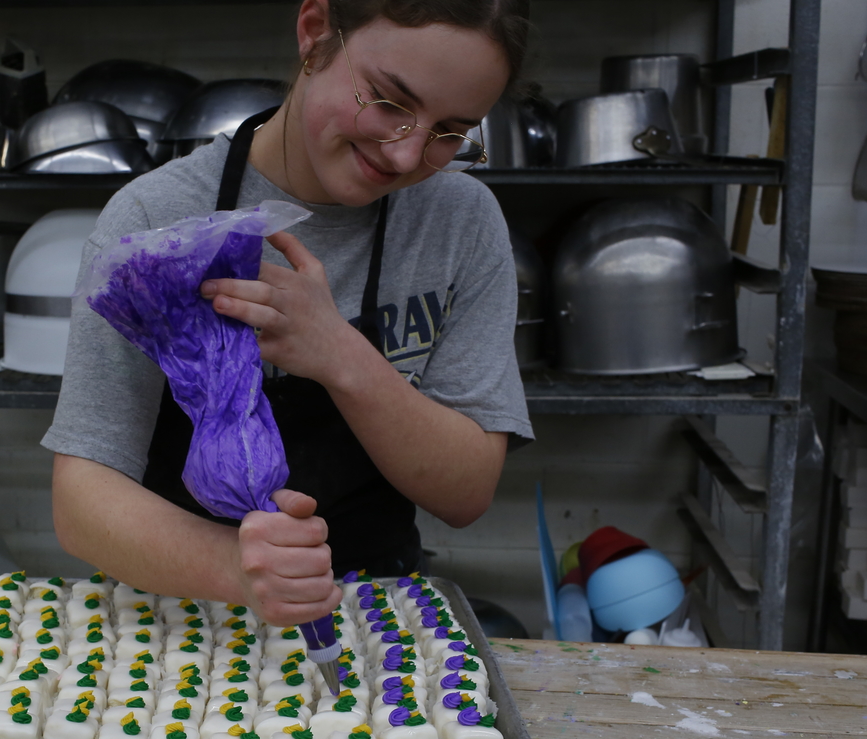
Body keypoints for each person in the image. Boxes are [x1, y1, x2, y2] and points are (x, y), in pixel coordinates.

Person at [43, 0, 534, 626]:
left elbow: (465, 493)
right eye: (388, 101)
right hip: (183, 623)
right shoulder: (155, 221)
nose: (407, 157)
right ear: (315, 33)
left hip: (370, 617)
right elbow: (81, 501)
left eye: (450, 133)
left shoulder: (459, 223)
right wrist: (237, 566)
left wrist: (342, 356)